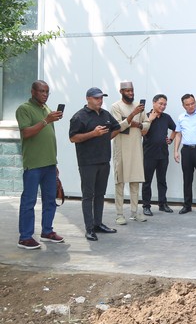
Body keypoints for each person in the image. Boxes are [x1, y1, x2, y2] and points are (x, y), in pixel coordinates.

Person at [15, 80, 65, 249]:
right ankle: (25, 236)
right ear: (33, 92)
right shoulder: (24, 109)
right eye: (42, 91)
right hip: (34, 164)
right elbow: (26, 133)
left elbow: (48, 138)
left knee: (50, 200)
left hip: (50, 164)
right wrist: (46, 120)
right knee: (29, 201)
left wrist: (55, 162)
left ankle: (47, 230)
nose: (45, 94)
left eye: (47, 92)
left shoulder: (46, 109)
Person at [69, 87, 121, 241]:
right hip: (88, 162)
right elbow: (73, 138)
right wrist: (94, 134)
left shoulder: (105, 114)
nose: (100, 100)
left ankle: (98, 224)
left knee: (100, 194)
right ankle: (89, 228)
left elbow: (117, 128)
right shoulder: (79, 117)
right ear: (88, 99)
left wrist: (104, 138)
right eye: (97, 98)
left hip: (104, 161)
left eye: (101, 98)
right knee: (88, 196)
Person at [110, 81, 148, 225]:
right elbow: (117, 126)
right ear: (121, 92)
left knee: (135, 181)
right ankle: (119, 214)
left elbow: (147, 124)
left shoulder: (139, 106)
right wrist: (132, 115)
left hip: (136, 148)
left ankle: (134, 212)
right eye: (127, 91)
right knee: (119, 182)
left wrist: (138, 124)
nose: (131, 93)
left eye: (132, 90)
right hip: (121, 148)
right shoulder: (116, 106)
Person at [141, 94, 176, 216]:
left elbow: (176, 129)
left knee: (162, 181)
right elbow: (141, 132)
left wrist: (170, 139)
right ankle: (146, 206)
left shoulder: (166, 117)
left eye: (165, 104)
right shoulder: (145, 117)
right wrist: (150, 119)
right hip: (148, 154)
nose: (163, 106)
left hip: (163, 154)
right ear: (154, 103)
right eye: (161, 103)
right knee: (147, 182)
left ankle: (162, 204)